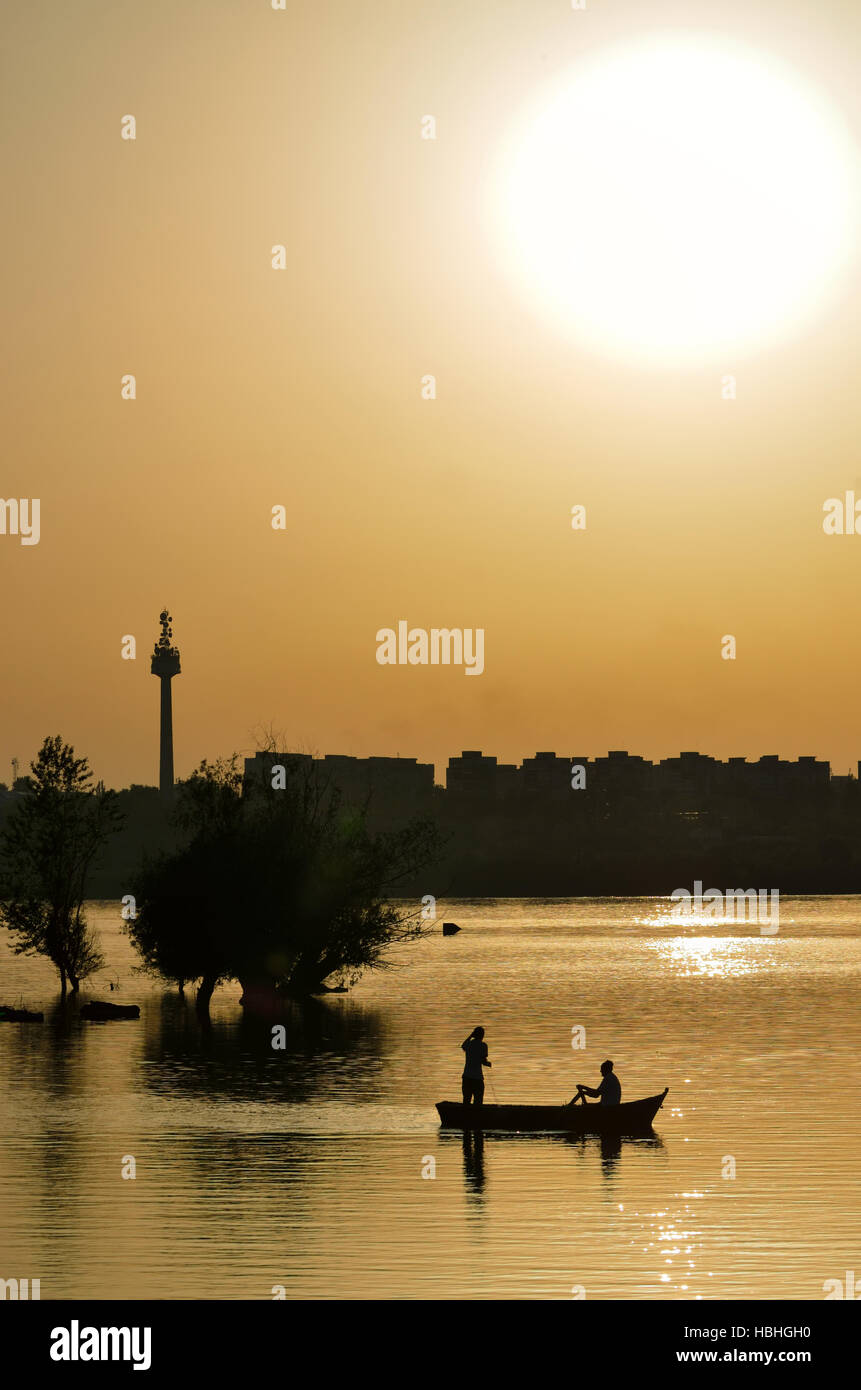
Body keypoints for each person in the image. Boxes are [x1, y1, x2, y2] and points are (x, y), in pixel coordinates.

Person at [461, 1026, 491, 1105]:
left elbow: (463, 1046)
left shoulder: (469, 1044)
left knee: (466, 1101)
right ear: (482, 1035)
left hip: (467, 1077)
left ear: (474, 1034)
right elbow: (483, 1061)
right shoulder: (483, 1046)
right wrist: (488, 1064)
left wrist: (470, 1036)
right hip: (477, 1078)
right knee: (478, 1102)